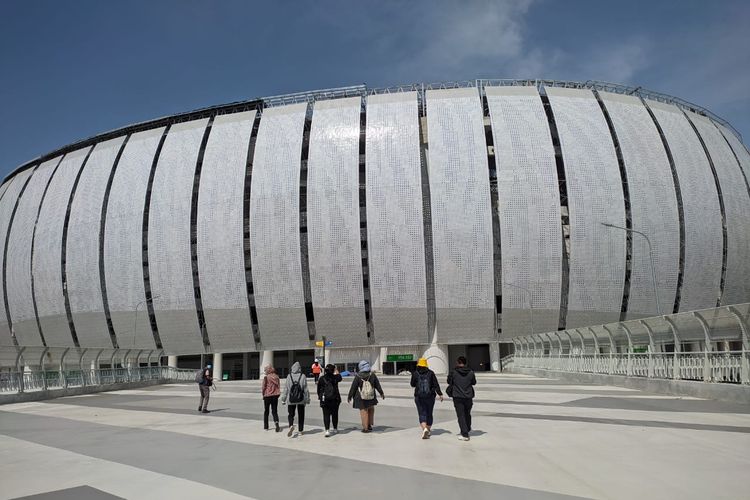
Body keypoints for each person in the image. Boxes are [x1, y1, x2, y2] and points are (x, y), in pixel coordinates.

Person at [347, 360, 385, 433]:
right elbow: (377, 385)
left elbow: (353, 387)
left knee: (364, 411)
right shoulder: (372, 375)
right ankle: (369, 425)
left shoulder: (358, 376)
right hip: (371, 396)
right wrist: (381, 393)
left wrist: (350, 396)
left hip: (361, 397)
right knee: (371, 410)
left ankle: (365, 428)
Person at [410, 358, 443, 439]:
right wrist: (440, 394)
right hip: (430, 396)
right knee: (429, 413)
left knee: (422, 413)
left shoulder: (415, 373)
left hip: (419, 397)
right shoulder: (431, 373)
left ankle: (424, 429)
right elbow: (436, 385)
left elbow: (412, 384)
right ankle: (428, 430)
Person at [447, 356, 476, 441]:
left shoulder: (453, 372)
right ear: (466, 362)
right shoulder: (471, 372)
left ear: (457, 362)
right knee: (467, 413)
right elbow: (474, 382)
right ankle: (467, 428)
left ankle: (465, 434)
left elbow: (449, 381)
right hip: (468, 396)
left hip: (457, 396)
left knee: (461, 415)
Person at [281, 361, 310, 437]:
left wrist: (283, 399)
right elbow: (305, 389)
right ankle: (300, 430)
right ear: (299, 368)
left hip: (291, 399)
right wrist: (307, 399)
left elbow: (286, 389)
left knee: (291, 414)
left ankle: (291, 425)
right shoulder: (303, 376)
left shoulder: (289, 376)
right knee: (301, 415)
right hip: (301, 399)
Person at [317, 364, 342, 437]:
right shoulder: (335, 377)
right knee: (335, 414)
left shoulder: (321, 378)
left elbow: (318, 389)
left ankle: (327, 430)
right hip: (335, 399)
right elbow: (340, 377)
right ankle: (335, 428)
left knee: (326, 415)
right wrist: (336, 370)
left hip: (325, 400)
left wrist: (320, 396)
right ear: (333, 370)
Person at [261, 365, 281, 432]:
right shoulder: (277, 377)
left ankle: (266, 427)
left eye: (265, 370)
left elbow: (263, 387)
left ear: (268, 370)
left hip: (267, 396)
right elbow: (278, 386)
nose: (265, 371)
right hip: (275, 395)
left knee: (266, 411)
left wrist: (263, 394)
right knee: (274, 411)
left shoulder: (266, 378)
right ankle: (276, 423)